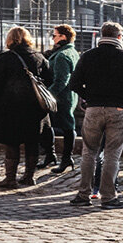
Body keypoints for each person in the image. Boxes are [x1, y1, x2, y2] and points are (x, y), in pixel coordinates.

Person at [67, 22, 123, 209]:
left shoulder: (88, 56)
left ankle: (83, 194)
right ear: (120, 37)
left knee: (89, 153)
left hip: (93, 109)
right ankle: (109, 197)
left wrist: (89, 97)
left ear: (101, 35)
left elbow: (74, 84)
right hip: (119, 109)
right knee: (112, 154)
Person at [0, 26, 51, 188]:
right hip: (35, 108)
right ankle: (29, 177)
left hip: (10, 108)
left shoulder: (6, 58)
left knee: (12, 142)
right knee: (32, 142)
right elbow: (49, 80)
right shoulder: (39, 57)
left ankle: (10, 179)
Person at [42, 24, 82, 174]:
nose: (52, 38)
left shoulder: (62, 56)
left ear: (63, 37)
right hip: (69, 96)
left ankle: (65, 159)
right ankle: (55, 157)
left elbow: (61, 81)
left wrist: (47, 96)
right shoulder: (71, 51)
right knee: (60, 125)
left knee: (65, 126)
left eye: (54, 35)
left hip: (61, 98)